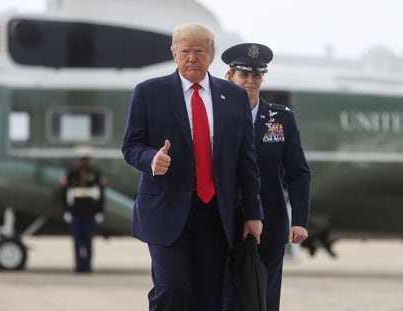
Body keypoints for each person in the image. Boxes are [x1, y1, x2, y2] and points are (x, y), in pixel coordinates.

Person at [121, 23, 264, 311]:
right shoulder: (149, 92)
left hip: (215, 212)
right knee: (171, 289)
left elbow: (246, 161)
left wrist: (252, 213)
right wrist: (151, 159)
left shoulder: (234, 97)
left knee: (209, 295)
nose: (191, 58)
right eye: (185, 51)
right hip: (167, 207)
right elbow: (131, 146)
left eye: (199, 51)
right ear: (174, 53)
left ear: (211, 55)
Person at [222, 43, 311, 311]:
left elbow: (298, 173)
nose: (250, 81)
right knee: (225, 300)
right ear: (231, 76)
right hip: (223, 224)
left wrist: (300, 221)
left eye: (256, 76)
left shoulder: (281, 119)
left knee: (264, 300)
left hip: (269, 226)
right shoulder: (216, 116)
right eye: (244, 75)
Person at [61, 146, 106, 272]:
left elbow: (101, 193)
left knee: (88, 241)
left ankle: (87, 266)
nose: (83, 162)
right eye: (81, 159)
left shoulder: (95, 173)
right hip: (76, 212)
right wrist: (66, 210)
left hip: (90, 212)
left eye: (85, 159)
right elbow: (64, 192)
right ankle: (78, 266)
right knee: (77, 241)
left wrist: (100, 211)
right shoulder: (72, 173)